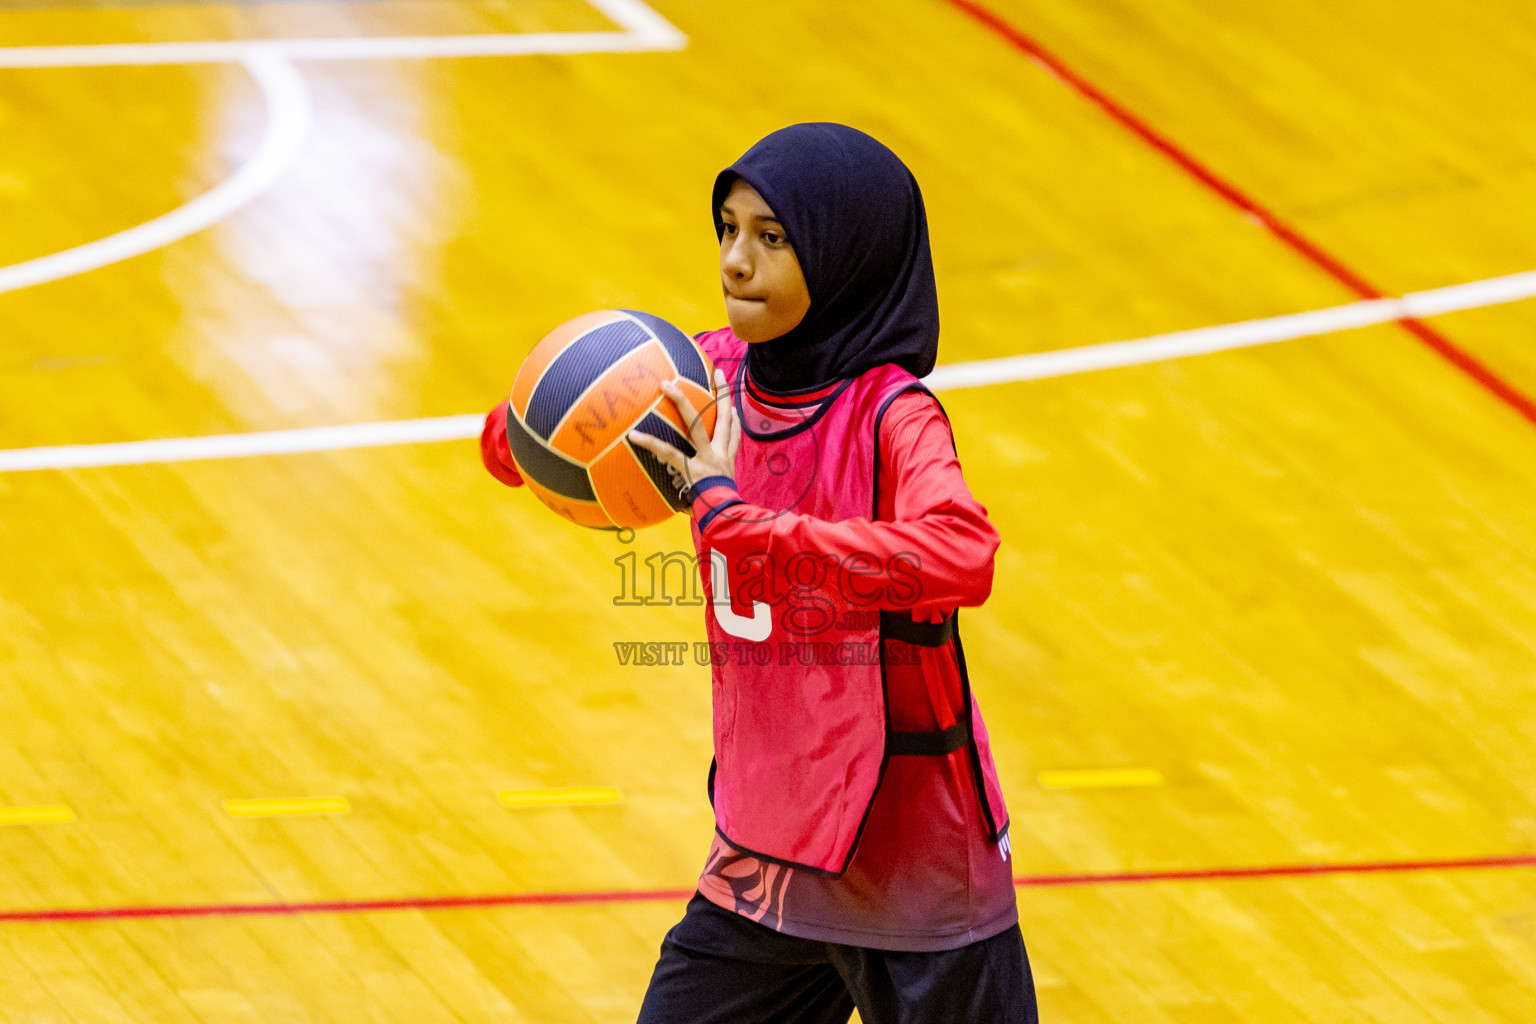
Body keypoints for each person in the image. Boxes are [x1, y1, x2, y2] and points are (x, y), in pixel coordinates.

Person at [482, 123, 1038, 1024]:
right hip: (766, 853)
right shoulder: (713, 373)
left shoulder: (893, 417)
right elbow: (542, 430)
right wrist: (534, 429)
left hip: (911, 861)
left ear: (846, 255)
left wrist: (750, 528)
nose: (736, 262)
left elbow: (964, 554)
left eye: (772, 239)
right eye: (728, 230)